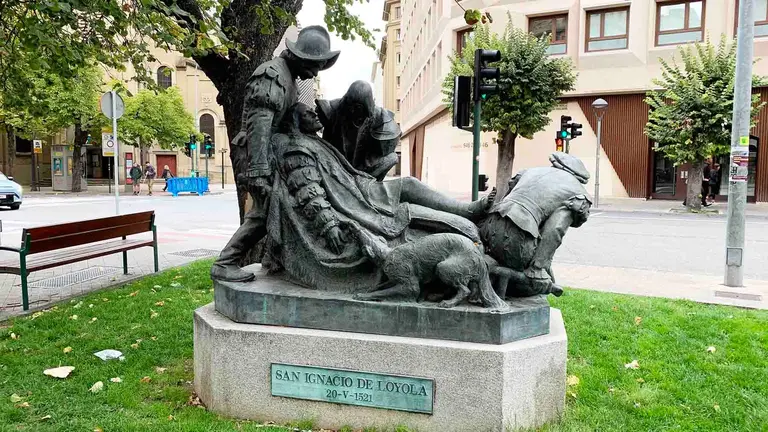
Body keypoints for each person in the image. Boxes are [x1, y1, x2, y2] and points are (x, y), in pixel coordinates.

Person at [260, 103, 494, 292]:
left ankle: (467, 210)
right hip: (352, 202)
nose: (314, 113)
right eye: (307, 113)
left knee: (408, 185)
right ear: (297, 122)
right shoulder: (297, 149)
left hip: (357, 191)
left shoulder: (313, 142)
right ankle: (468, 214)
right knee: (407, 202)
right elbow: (308, 192)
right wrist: (329, 224)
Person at [211, 26, 340, 282]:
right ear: (300, 57)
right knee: (262, 213)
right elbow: (258, 125)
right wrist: (259, 173)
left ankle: (273, 259)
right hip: (256, 156)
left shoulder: (289, 79)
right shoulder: (272, 74)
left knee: (276, 210)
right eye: (314, 65)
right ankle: (225, 263)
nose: (314, 72)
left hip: (269, 155)